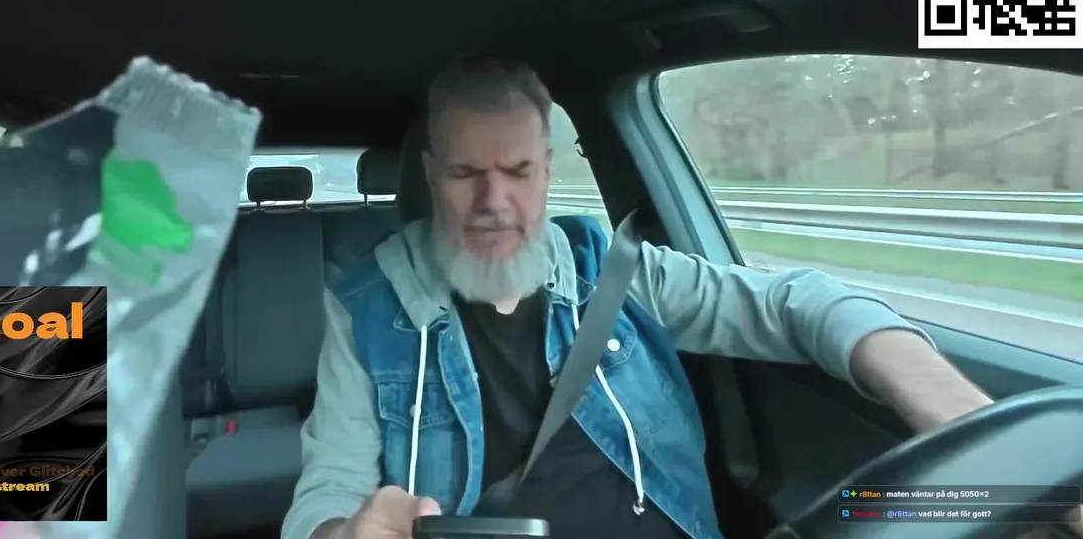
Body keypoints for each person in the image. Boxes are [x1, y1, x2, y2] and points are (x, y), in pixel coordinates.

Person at [280, 56, 1050, 539]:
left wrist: (959, 414)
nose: (494, 202)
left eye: (516, 172)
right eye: (464, 174)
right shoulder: (365, 307)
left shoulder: (610, 270)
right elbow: (326, 490)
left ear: (547, 171)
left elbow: (795, 304)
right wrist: (343, 532)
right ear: (430, 176)